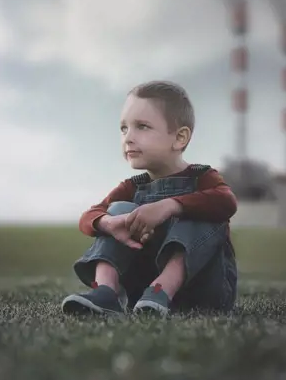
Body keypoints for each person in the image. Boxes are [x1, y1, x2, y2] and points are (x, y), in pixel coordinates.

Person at [61, 80, 238, 316]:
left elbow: (227, 202)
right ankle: (106, 292)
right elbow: (88, 217)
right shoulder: (132, 187)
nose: (128, 138)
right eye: (124, 128)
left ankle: (162, 288)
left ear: (180, 138)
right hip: (142, 294)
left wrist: (169, 206)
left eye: (142, 127)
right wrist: (109, 223)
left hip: (204, 290)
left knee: (203, 208)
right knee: (116, 211)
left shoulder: (203, 178)